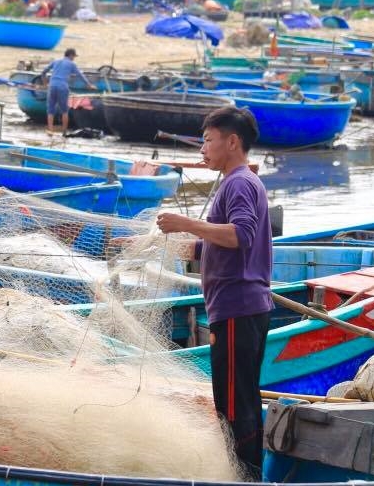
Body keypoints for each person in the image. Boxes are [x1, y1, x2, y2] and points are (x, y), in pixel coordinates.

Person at [156, 106, 273, 479]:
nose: (202, 150)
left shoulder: (239, 182)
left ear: (233, 142)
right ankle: (248, 473)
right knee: (237, 400)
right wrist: (152, 242)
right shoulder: (237, 182)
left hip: (238, 307)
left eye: (208, 140)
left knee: (235, 407)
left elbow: (240, 235)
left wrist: (186, 222)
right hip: (237, 309)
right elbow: (212, 246)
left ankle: (245, 476)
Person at [41, 48, 90, 134]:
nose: (74, 58)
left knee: (50, 110)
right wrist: (88, 84)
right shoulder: (71, 64)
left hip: (52, 86)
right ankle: (64, 132)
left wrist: (45, 83)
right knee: (64, 111)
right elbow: (80, 75)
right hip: (62, 87)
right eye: (74, 56)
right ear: (71, 55)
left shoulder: (55, 61)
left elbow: (43, 72)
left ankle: (50, 130)